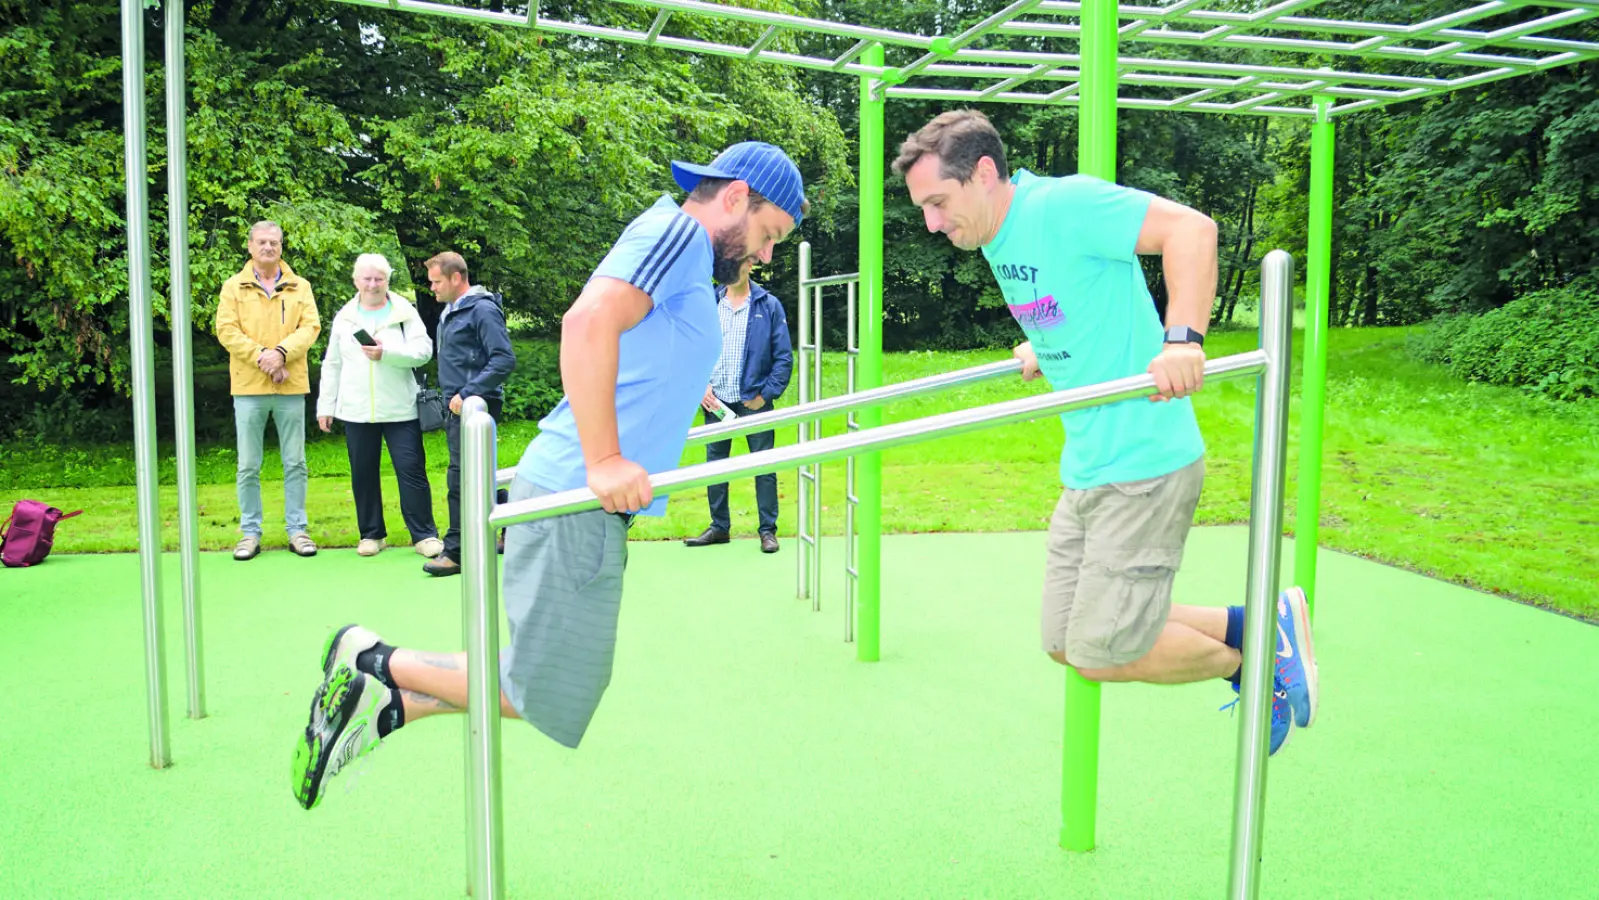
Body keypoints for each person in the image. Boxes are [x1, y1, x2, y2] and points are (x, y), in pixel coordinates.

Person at [291, 141, 810, 810]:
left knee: (554, 691)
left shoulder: (682, 257)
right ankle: (372, 661)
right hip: (576, 487)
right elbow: (587, 320)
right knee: (549, 692)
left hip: (584, 498)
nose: (765, 255)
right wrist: (604, 461)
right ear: (737, 198)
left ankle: (394, 706)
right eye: (769, 235)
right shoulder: (678, 232)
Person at [891, 110, 1318, 754]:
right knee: (1065, 639)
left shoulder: (1062, 206)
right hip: (1089, 466)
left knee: (1099, 652)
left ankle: (1252, 667)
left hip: (1144, 462)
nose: (932, 222)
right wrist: (1042, 342)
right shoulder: (999, 237)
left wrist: (1183, 340)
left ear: (983, 174)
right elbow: (1073, 298)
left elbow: (1193, 230)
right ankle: (1255, 623)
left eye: (938, 202)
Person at [315, 253, 444, 559]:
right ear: (356, 280)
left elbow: (423, 351)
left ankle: (424, 534)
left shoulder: (403, 312)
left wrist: (387, 353)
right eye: (367, 278)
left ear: (388, 280)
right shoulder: (345, 317)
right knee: (363, 472)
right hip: (356, 409)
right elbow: (332, 363)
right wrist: (326, 406)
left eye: (379, 279)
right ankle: (372, 534)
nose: (373, 284)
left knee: (411, 470)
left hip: (400, 408)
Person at [214, 220, 321, 561]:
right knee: (248, 465)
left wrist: (282, 354)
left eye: (274, 242)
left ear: (281, 247)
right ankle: (249, 533)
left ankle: (298, 530)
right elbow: (226, 330)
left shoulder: (300, 286)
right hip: (248, 388)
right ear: (250, 246)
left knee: (295, 462)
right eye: (262, 242)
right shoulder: (233, 287)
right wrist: (263, 357)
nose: (268, 248)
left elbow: (311, 327)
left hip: (290, 386)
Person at [684, 258, 792, 553]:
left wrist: (765, 395)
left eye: (741, 264)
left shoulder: (768, 305)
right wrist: (700, 387)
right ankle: (719, 527)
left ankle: (768, 531)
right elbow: (694, 349)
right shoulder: (709, 304)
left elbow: (783, 358)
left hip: (753, 402)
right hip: (716, 402)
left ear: (750, 266)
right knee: (716, 467)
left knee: (763, 466)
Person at [420, 252, 516, 577]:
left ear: (456, 278)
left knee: (460, 477)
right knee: (476, 473)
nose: (431, 288)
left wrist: (467, 392)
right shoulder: (451, 310)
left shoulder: (483, 309)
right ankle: (511, 520)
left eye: (436, 281)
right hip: (458, 403)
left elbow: (503, 359)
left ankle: (457, 551)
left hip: (476, 405)